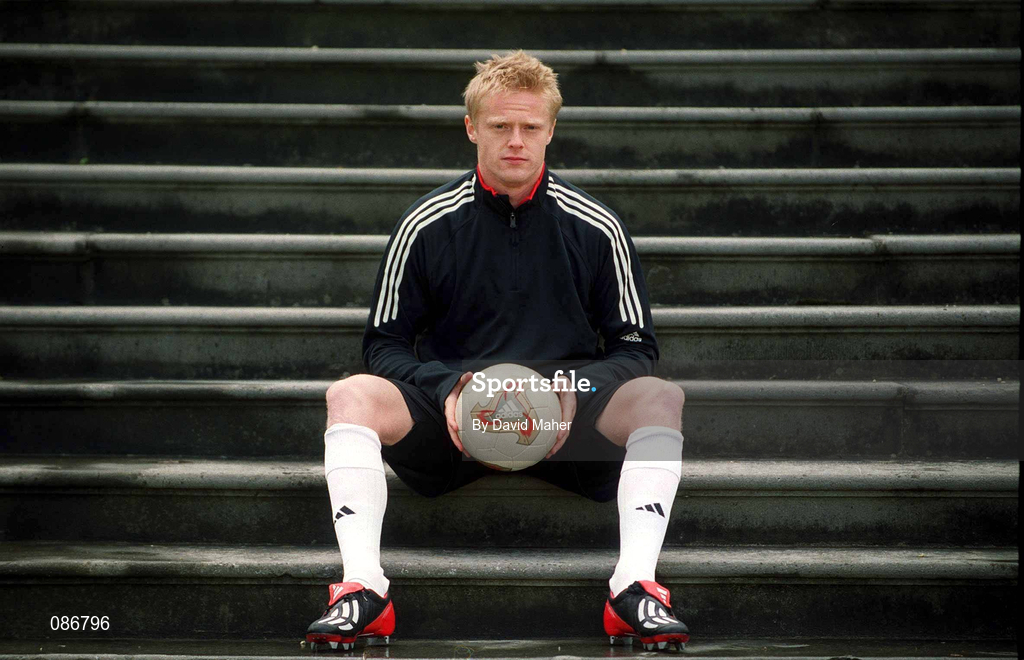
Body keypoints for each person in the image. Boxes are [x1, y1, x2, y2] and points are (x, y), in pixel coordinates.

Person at [305, 50, 689, 653]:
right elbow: (383, 344)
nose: (516, 141)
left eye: (530, 128)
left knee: (659, 399)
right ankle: (364, 589)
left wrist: (571, 392)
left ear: (551, 131)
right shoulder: (425, 225)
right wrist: (447, 391)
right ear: (471, 128)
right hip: (455, 420)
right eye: (500, 126)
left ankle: (633, 586)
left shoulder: (597, 227)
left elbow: (635, 346)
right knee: (351, 395)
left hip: (566, 424)